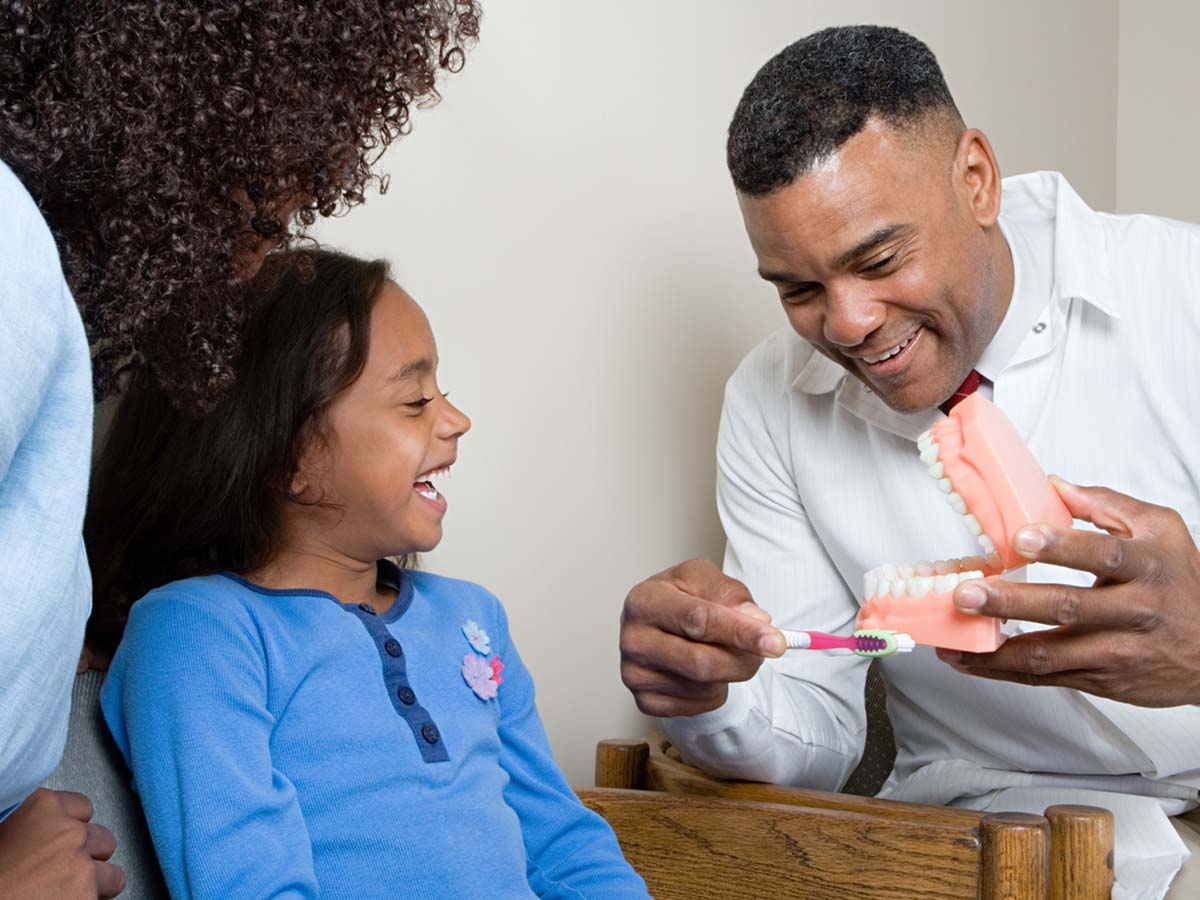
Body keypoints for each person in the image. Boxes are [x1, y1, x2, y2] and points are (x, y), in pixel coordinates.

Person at [618, 25, 1200, 900]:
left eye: (880, 259)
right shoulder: (768, 405)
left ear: (976, 180)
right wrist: (713, 695)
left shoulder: (1180, 293)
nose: (847, 324)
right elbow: (815, 720)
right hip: (977, 838)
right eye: (799, 290)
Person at [0, 3, 479, 897]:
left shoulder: (466, 618)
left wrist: (59, 614)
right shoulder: (13, 259)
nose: (235, 282)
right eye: (254, 221)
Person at [90, 249, 650, 899]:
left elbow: (559, 841)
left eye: (443, 392)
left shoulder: (474, 619)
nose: (455, 419)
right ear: (291, 458)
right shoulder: (198, 635)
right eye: (415, 400)